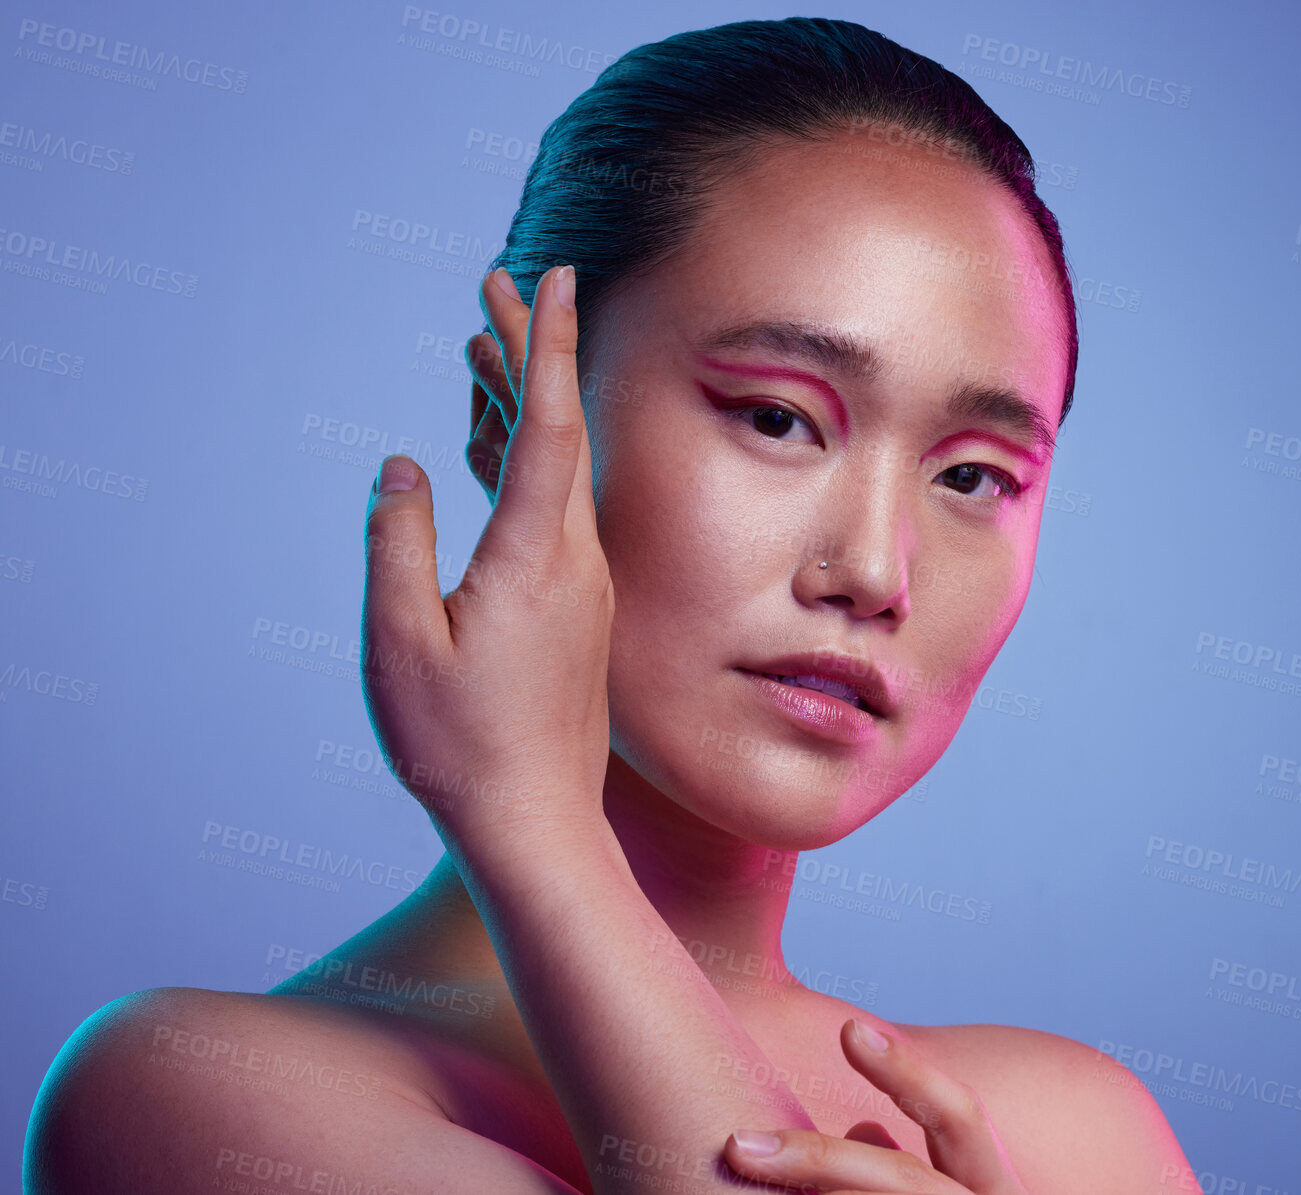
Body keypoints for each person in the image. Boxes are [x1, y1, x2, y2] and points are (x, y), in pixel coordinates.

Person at [24, 17, 1202, 1195]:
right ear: (509, 419)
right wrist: (527, 822)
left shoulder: (1071, 1134)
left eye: (971, 477)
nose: (875, 572)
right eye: (776, 418)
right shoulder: (189, 1096)